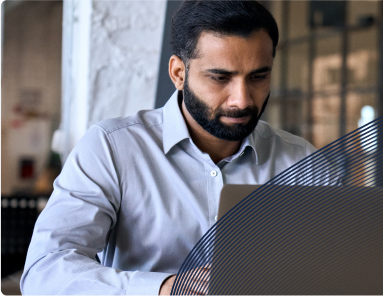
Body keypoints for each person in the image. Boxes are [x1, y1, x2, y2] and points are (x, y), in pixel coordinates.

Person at [21, 0, 318, 295]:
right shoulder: (111, 148)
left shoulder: (302, 160)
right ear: (178, 73)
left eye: (258, 77)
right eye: (220, 77)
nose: (241, 99)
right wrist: (161, 289)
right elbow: (44, 272)